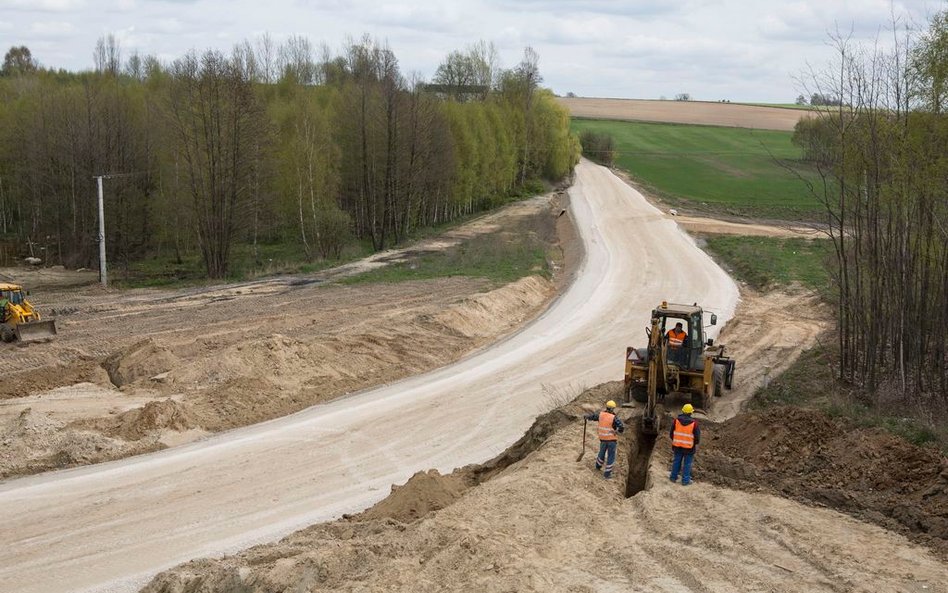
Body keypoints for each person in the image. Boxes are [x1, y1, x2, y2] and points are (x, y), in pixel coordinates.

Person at [584, 400, 625, 479]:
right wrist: (617, 431)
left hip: (603, 439)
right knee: (611, 456)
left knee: (601, 453)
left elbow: (593, 417)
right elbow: (621, 427)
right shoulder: (614, 417)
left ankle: (598, 466)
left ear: (606, 407)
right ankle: (607, 474)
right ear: (613, 408)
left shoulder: (601, 415)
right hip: (611, 440)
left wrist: (587, 417)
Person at [669, 403, 700, 485]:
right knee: (687, 464)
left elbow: (671, 434)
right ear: (691, 413)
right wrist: (693, 443)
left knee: (676, 461)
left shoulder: (676, 421)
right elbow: (697, 437)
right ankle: (685, 481)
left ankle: (673, 477)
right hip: (689, 447)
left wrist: (676, 440)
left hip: (677, 446)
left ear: (682, 411)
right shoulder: (694, 423)